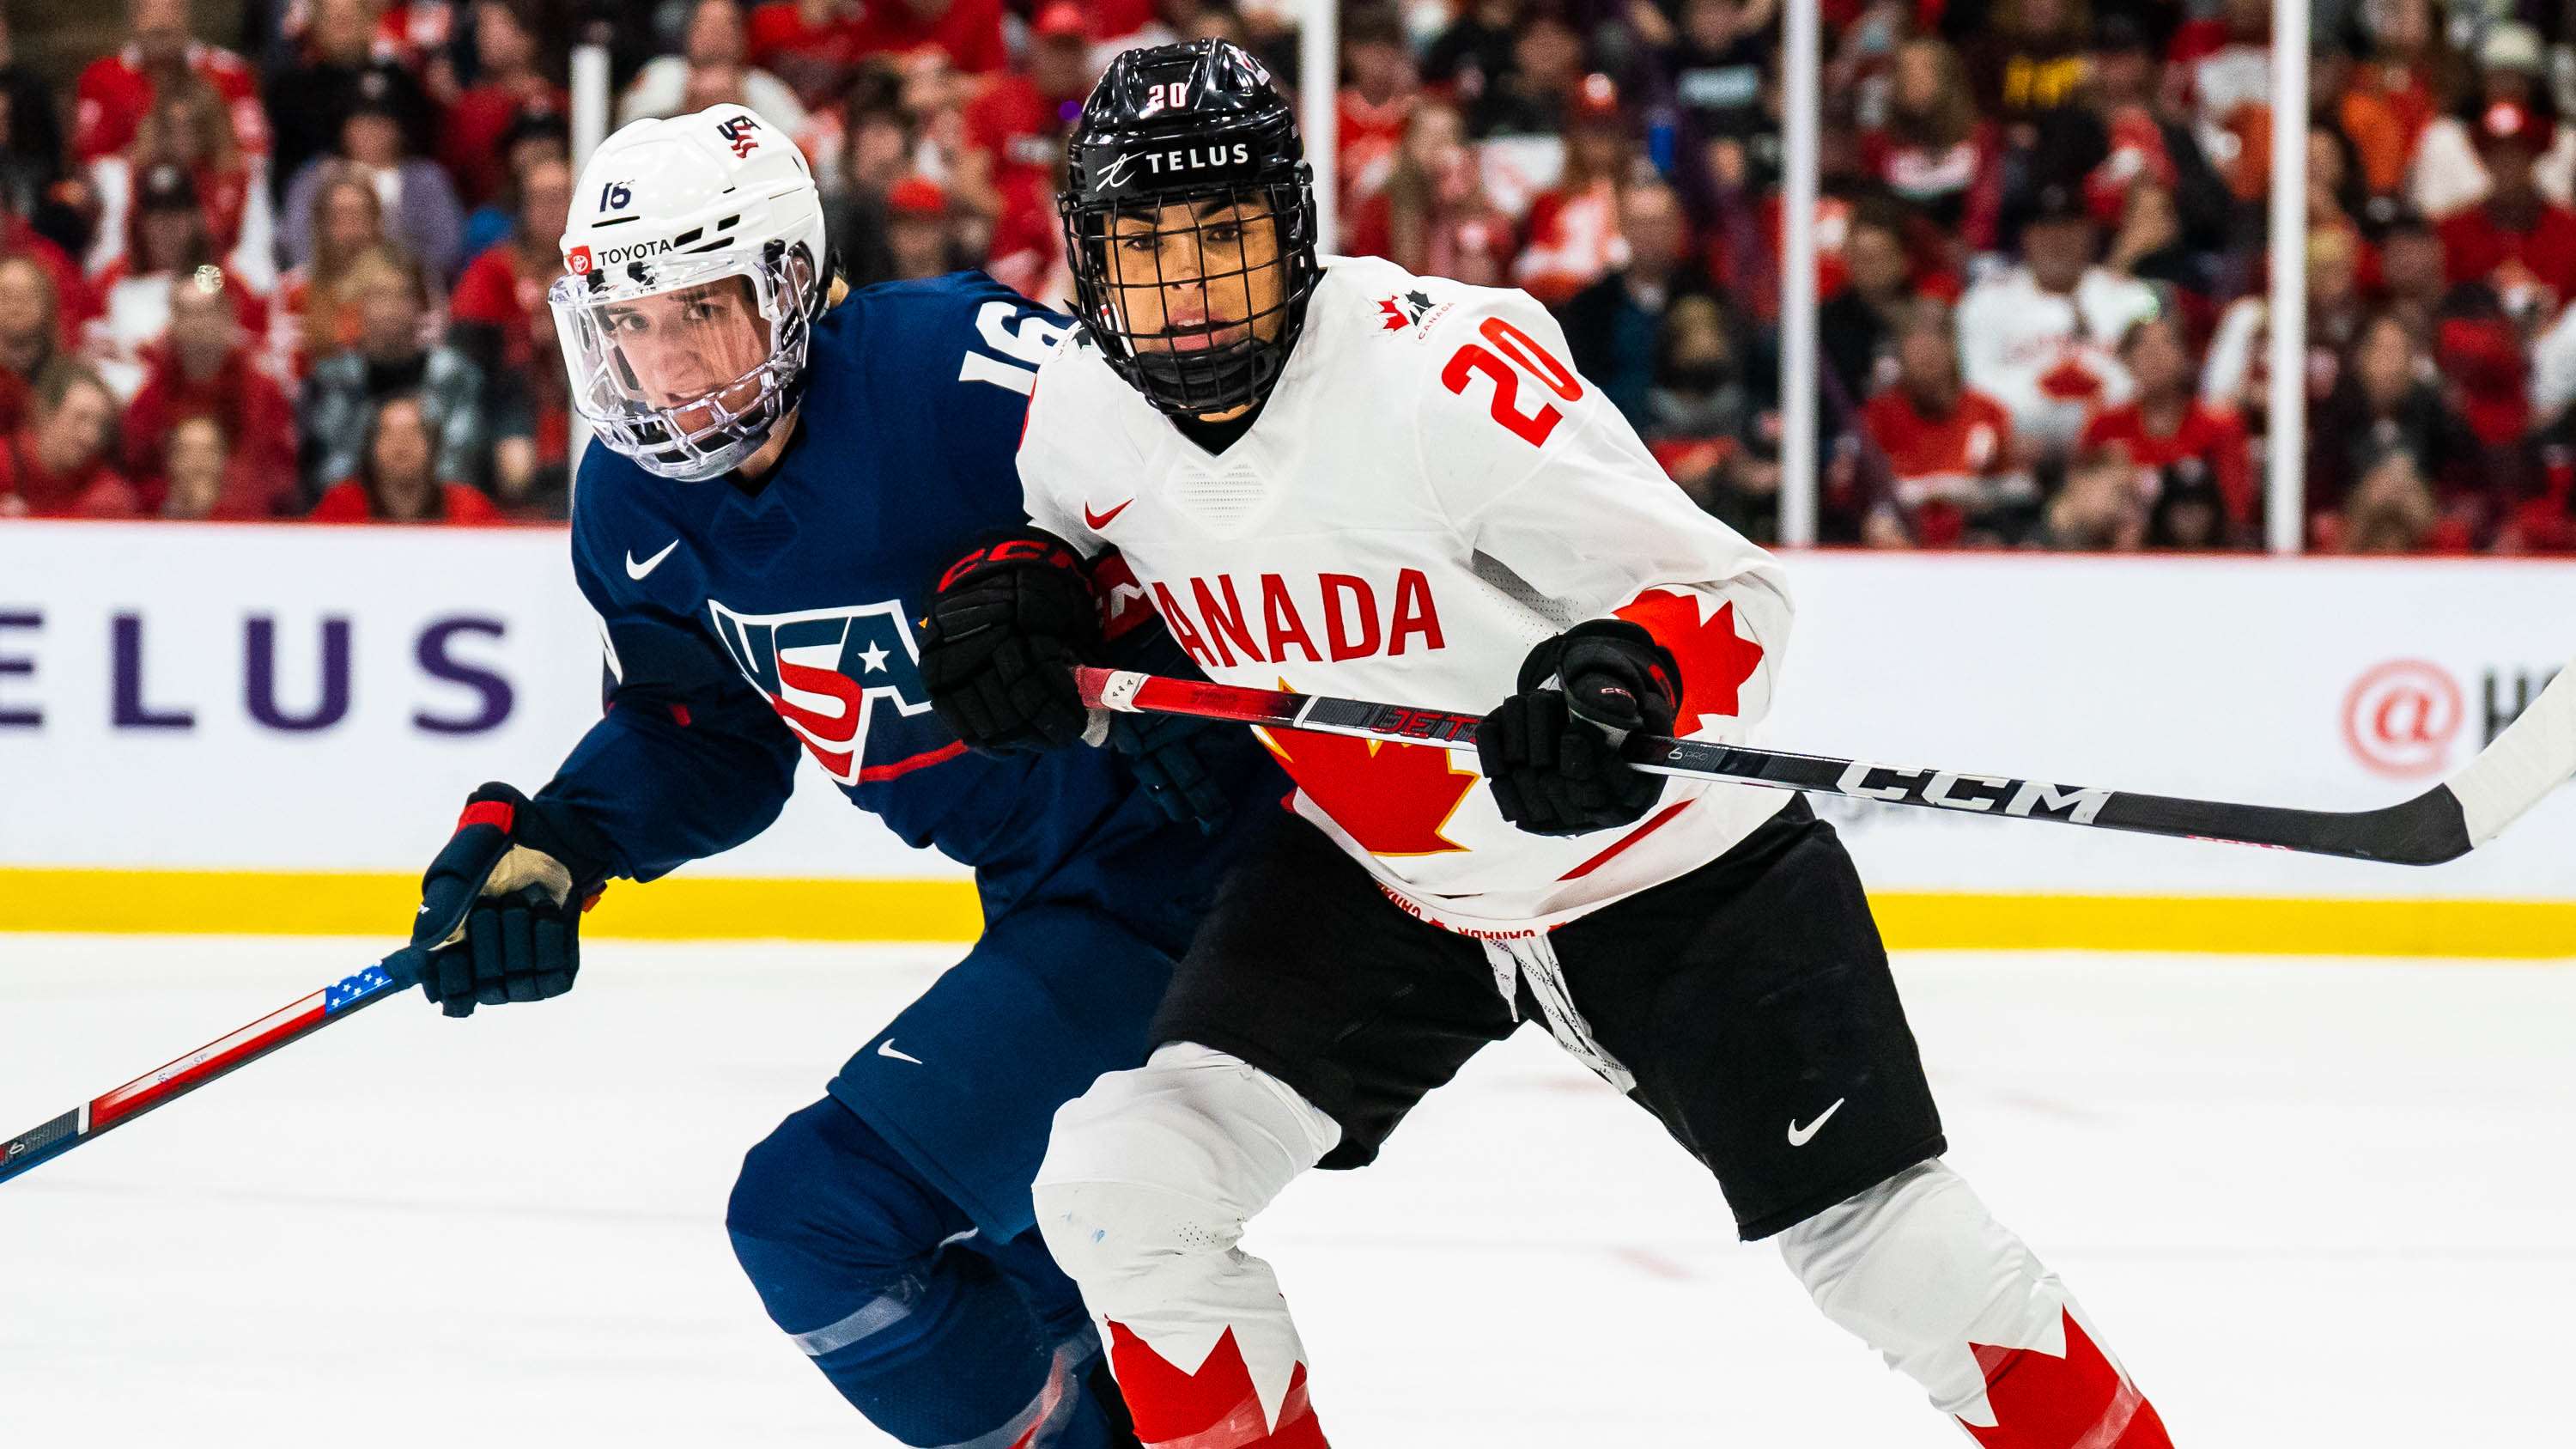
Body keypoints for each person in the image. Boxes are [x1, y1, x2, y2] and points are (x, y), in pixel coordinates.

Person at [929, 40, 2172, 1448]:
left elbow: (1733, 602)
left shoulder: (1443, 374)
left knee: (1900, 1261)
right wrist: (1031, 612)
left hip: (1673, 879)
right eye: (1147, 247)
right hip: (1389, 883)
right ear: (1087, 260)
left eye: (1223, 235)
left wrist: (1625, 679)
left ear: (1295, 228)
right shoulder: (1084, 420)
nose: (1191, 287)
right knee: (1121, 1183)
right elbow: (1110, 578)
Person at [395, 101, 1281, 1449]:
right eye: (627, 323)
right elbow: (708, 732)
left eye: (700, 307)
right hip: (1046, 897)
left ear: (793, 284)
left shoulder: (957, 373)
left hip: (1196, 863)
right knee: (1054, 1286)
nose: (666, 361)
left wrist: (1143, 626)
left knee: (819, 1218)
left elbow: (1242, 493)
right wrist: (564, 840)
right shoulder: (632, 502)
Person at [307, 391, 499, 521]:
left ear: (433, 445)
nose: (401, 443)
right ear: (371, 447)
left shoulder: (469, 507)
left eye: (413, 431)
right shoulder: (341, 506)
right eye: (388, 432)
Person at [0, 362, 138, 518]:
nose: (91, 436)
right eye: (79, 419)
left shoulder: (108, 493)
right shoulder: (5, 462)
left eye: (100, 426)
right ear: (45, 413)